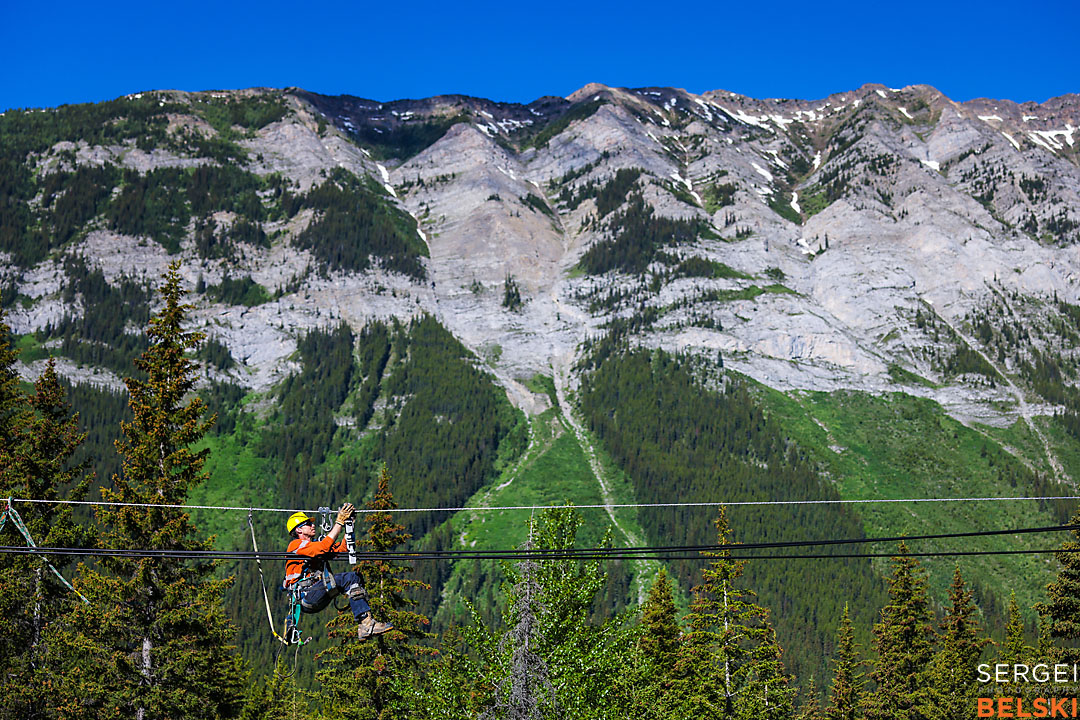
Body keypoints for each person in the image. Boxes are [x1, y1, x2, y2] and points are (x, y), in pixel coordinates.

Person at [284, 503, 393, 641]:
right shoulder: (295, 545)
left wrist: (349, 526)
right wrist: (339, 522)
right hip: (306, 594)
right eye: (308, 524)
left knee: (355, 578)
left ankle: (365, 623)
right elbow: (324, 547)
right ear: (299, 530)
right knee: (350, 578)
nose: (313, 526)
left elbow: (342, 549)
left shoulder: (314, 546)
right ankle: (366, 624)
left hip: (315, 593)